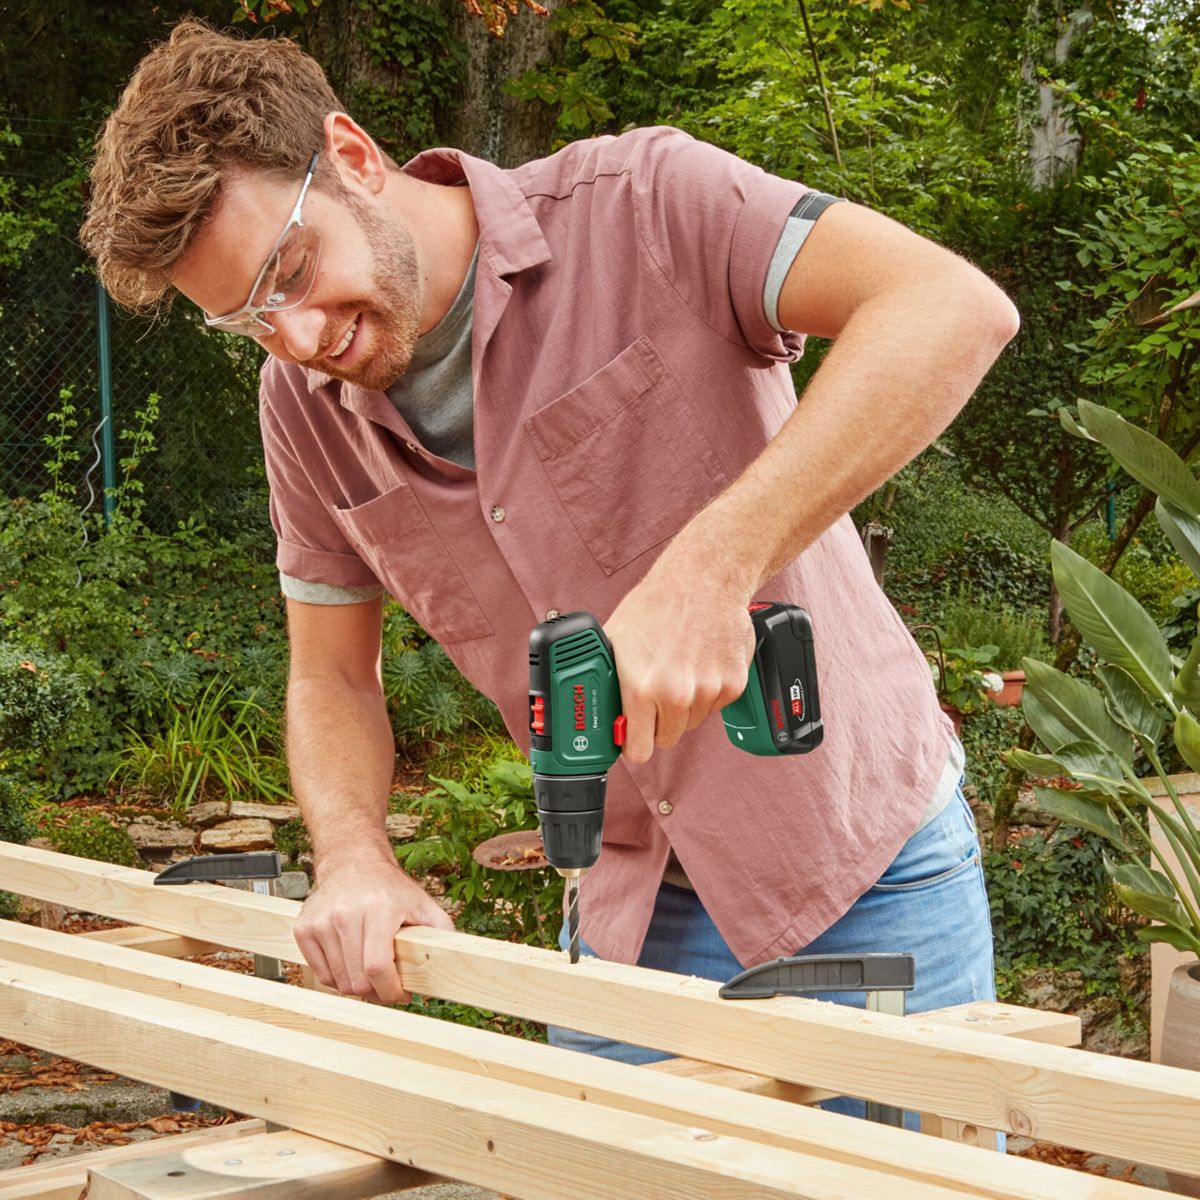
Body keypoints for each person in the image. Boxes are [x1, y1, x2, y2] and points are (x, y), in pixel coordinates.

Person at [83, 20, 1018, 1085]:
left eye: (291, 273)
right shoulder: (301, 403)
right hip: (622, 913)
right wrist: (352, 855)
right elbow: (331, 674)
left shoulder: (644, 205)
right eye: (249, 318)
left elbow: (948, 307)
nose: (298, 340)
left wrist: (713, 567)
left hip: (863, 873)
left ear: (350, 156)